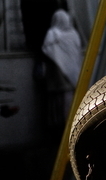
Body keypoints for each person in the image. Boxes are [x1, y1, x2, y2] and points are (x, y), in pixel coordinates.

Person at [40, 9, 83, 138]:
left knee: (58, 108)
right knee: (66, 107)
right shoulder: (73, 34)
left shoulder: (53, 34)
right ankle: (66, 134)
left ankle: (63, 135)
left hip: (58, 78)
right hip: (68, 79)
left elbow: (47, 50)